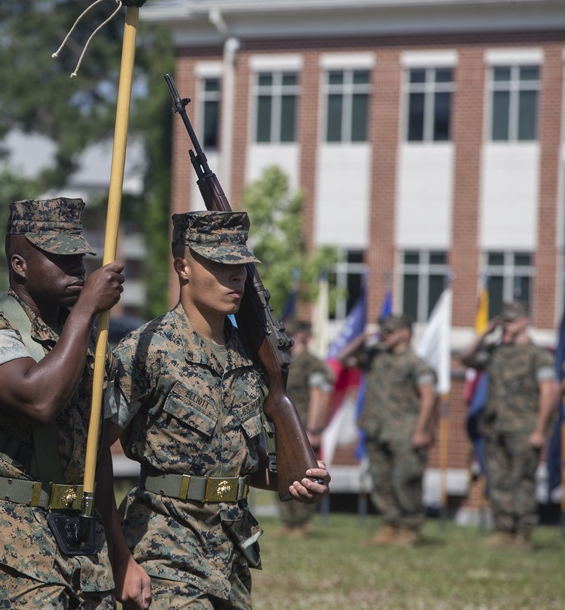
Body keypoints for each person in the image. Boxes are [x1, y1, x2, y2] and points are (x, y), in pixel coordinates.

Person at [104, 211, 330, 608]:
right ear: (182, 267)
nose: (236, 276)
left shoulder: (251, 356)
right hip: (163, 548)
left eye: (241, 265)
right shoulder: (147, 350)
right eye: (220, 264)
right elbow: (89, 454)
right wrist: (120, 558)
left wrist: (291, 479)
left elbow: (245, 461)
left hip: (232, 552)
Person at [0, 198, 136, 609]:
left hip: (84, 547)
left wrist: (119, 553)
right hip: (15, 551)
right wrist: (87, 307)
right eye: (60, 258)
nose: (77, 269)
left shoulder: (87, 340)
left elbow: (96, 453)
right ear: (19, 265)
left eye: (79, 258)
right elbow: (39, 400)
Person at [460, 300, 561, 551]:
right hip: (495, 428)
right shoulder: (496, 352)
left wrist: (539, 430)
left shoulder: (538, 357)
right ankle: (503, 531)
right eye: (504, 321)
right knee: (497, 480)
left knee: (522, 481)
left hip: (524, 429)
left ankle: (522, 534)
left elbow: (549, 393)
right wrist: (486, 331)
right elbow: (465, 357)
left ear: (525, 321)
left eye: (512, 320)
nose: (508, 325)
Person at [339, 312, 436, 546]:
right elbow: (342, 358)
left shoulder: (417, 364)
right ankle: (389, 525)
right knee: (380, 479)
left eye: (390, 331)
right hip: (376, 428)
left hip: (405, 430)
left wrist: (422, 431)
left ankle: (409, 528)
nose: (385, 335)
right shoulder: (374, 356)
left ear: (406, 332)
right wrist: (363, 337)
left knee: (405, 480)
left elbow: (429, 398)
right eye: (383, 331)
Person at [277, 316, 335, 537]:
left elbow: (320, 396)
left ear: (303, 335)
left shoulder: (311, 362)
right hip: (283, 427)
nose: (288, 337)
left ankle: (301, 523)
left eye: (292, 333)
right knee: (281, 471)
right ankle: (288, 522)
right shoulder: (283, 360)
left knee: (304, 473)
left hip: (303, 427)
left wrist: (314, 429)